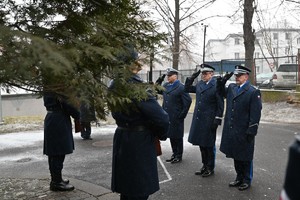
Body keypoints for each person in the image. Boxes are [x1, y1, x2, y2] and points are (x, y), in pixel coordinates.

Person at [109, 53, 170, 200]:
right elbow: (162, 119)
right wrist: (160, 134)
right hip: (139, 141)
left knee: (127, 188)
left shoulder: (113, 84)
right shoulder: (137, 87)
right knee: (139, 189)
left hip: (123, 136)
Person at [218, 65, 262, 191]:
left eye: (239, 76)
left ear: (246, 76)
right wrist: (222, 82)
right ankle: (239, 177)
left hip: (244, 129)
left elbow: (256, 113)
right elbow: (221, 93)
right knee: (236, 154)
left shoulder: (253, 91)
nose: (237, 78)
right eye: (236, 75)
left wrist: (252, 130)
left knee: (246, 156)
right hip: (233, 128)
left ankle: (247, 180)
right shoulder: (232, 88)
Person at [184, 64, 224, 177]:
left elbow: (220, 104)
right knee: (201, 144)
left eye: (205, 73)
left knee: (209, 145)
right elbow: (186, 89)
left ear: (211, 74)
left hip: (209, 120)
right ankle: (204, 165)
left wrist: (218, 119)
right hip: (199, 118)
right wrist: (192, 78)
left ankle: (210, 167)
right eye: (202, 73)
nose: (203, 75)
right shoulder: (200, 84)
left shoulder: (216, 85)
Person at [43, 92, 81, 191]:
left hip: (53, 118)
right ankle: (56, 182)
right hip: (59, 119)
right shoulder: (58, 84)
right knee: (58, 152)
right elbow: (68, 103)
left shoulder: (49, 83)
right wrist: (77, 115)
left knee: (54, 153)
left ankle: (56, 179)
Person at [156, 67, 191, 164]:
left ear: (175, 76)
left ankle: (178, 155)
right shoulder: (166, 85)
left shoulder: (181, 87)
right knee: (171, 135)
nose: (168, 77)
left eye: (170, 76)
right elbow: (157, 90)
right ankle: (174, 154)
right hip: (167, 115)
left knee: (177, 136)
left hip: (176, 116)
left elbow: (188, 101)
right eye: (167, 76)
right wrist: (159, 80)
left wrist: (182, 115)